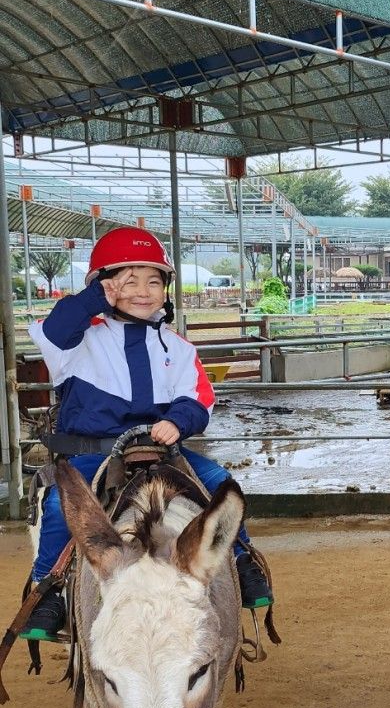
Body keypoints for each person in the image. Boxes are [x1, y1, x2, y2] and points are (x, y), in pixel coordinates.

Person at [21, 227, 273, 641]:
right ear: (102, 285)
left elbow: (199, 398)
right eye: (128, 280)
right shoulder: (74, 342)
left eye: (153, 281)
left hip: (160, 449)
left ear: (166, 289)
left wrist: (179, 421)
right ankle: (48, 591)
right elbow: (55, 327)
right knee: (58, 507)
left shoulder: (178, 347)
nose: (142, 290)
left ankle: (243, 562)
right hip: (93, 451)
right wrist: (94, 301)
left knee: (220, 484)